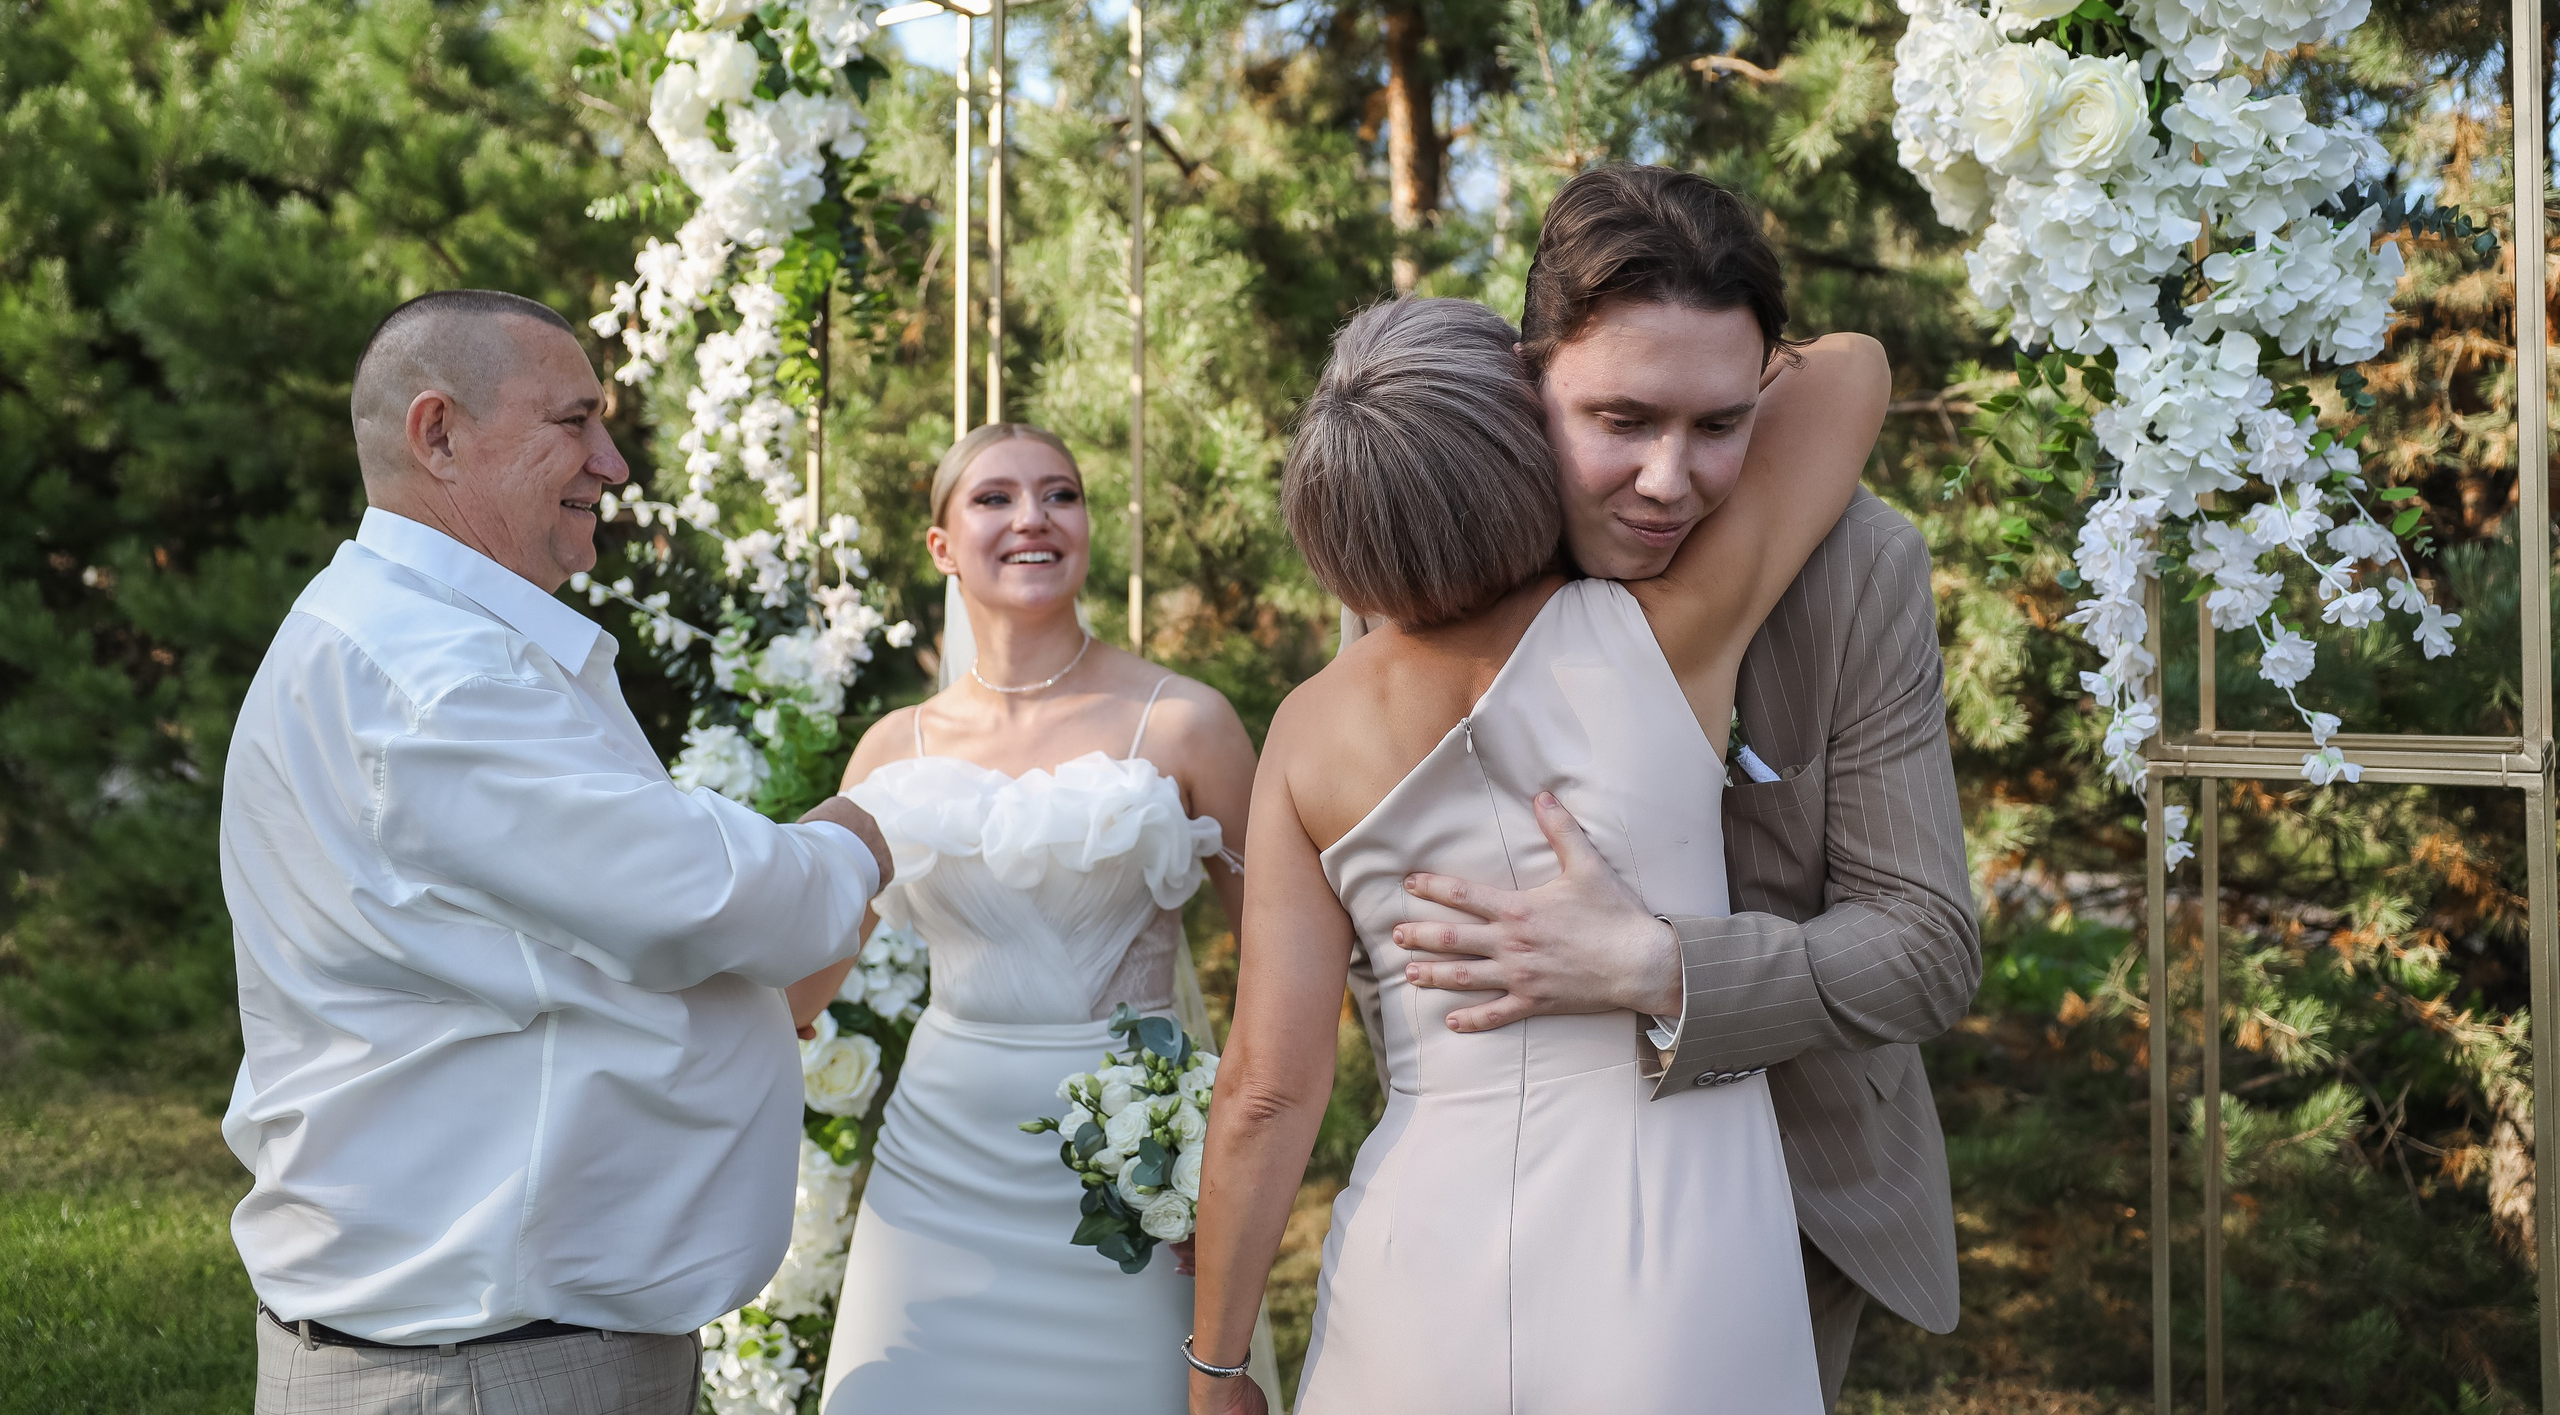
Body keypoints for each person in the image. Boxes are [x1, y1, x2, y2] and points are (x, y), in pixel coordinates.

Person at [1188, 291, 1890, 1411]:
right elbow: (1848, 364)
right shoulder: (1668, 631)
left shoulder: (1305, 735)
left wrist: (1217, 1362)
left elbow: (1267, 1091)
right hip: (1675, 1247)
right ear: (1523, 445)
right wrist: (1548, 371)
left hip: (1415, 1264)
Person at [221, 290, 892, 1415]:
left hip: (483, 1335)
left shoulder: (393, 632)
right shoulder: (437, 676)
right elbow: (696, 896)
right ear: (438, 433)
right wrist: (854, 839)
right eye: (573, 421)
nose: (613, 462)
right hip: (488, 1361)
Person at [1380, 165, 1979, 1409]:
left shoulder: (1858, 567)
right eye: (1620, 419)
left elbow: (1926, 943)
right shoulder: (1426, 532)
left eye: (1720, 423)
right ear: (1525, 374)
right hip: (1487, 1188)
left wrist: (1663, 970)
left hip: (1792, 1168)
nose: (1669, 481)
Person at [804, 422, 1266, 1414]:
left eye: (1059, 494)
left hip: (1134, 1181)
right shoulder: (892, 748)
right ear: (940, 545)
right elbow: (803, 977)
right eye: (994, 497)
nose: (1032, 518)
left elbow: (1284, 973)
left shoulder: (1185, 722)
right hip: (936, 1174)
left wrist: (1227, 1161)